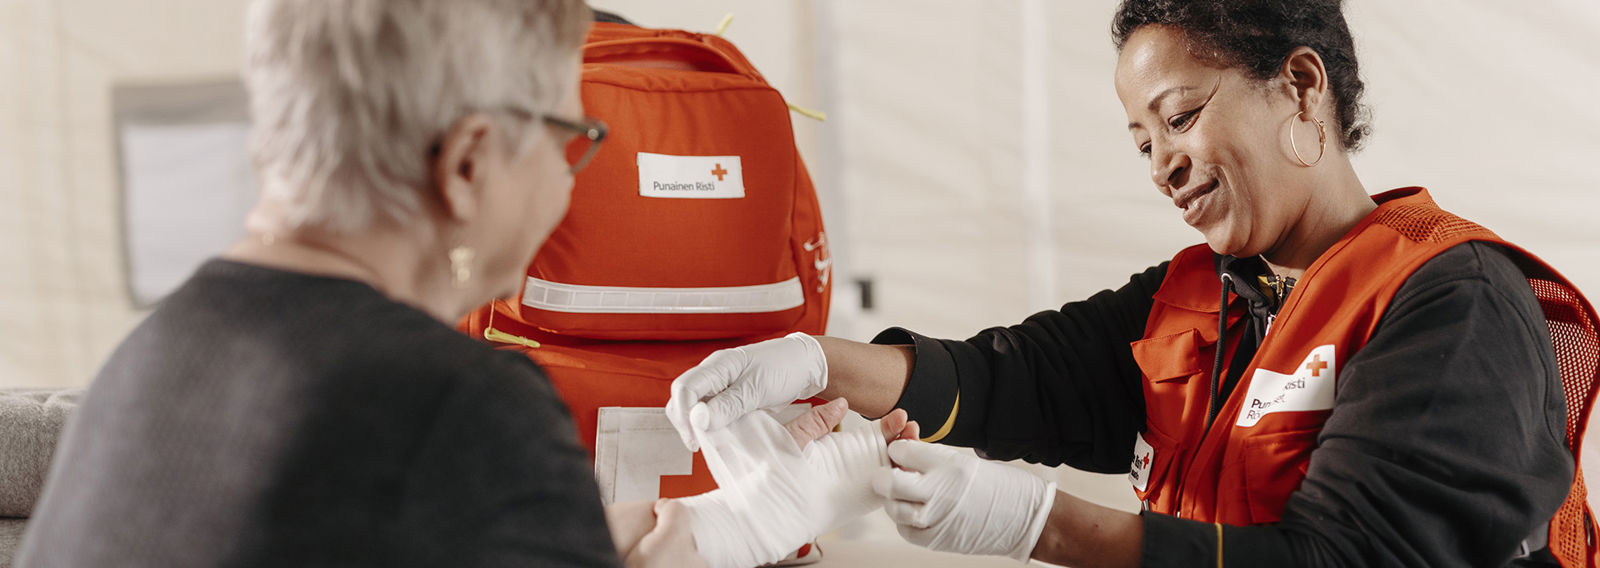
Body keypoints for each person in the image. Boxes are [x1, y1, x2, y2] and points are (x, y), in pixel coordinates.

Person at [666, 0, 1599, 566]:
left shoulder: (1451, 299)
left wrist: (1034, 524)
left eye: (1181, 117)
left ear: (1302, 87)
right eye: (1143, 143)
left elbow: (1342, 558)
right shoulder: (1204, 295)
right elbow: (1015, 375)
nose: (1163, 166)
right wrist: (814, 363)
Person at [16, 1, 910, 566]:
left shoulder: (164, 354)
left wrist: (709, 524)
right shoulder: (452, 404)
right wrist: (747, 535)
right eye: (576, 141)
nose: (570, 181)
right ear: (470, 163)